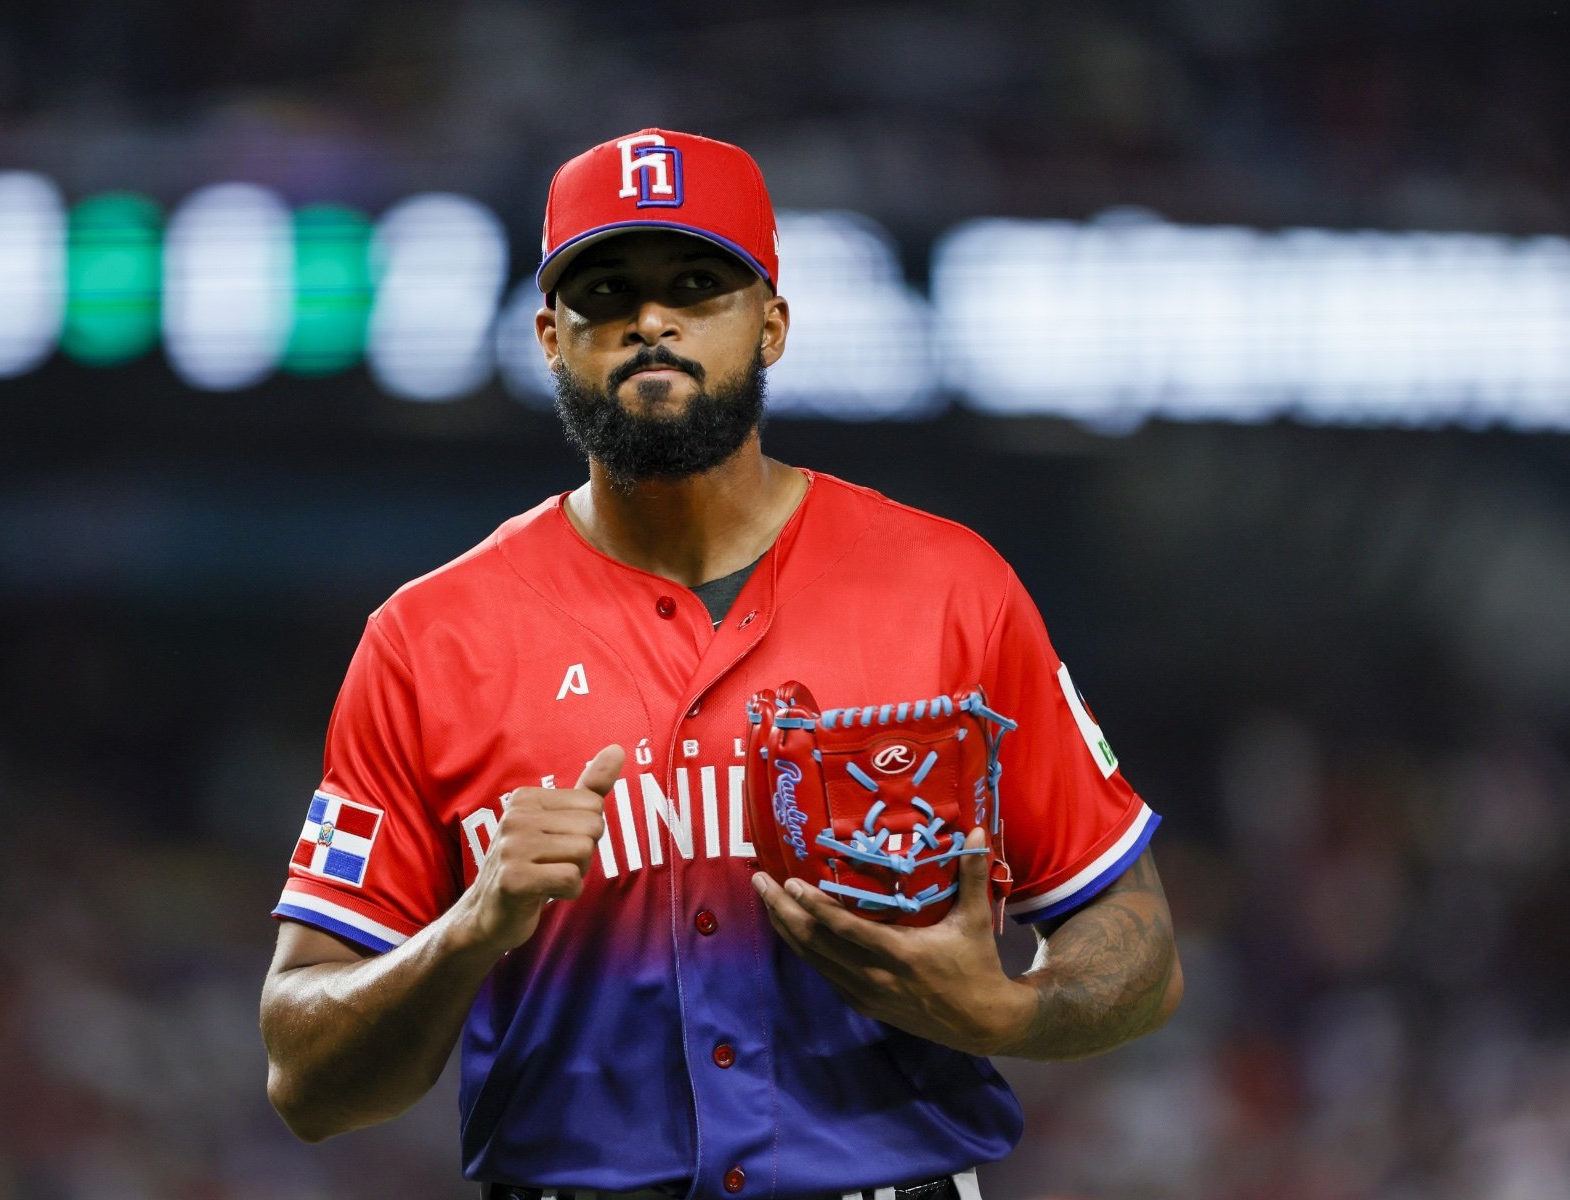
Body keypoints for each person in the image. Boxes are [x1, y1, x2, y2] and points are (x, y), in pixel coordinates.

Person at [260, 128, 1182, 1200]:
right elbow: (305, 1077)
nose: (652, 320)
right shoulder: (432, 639)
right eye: (608, 292)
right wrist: (466, 933)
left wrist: (1010, 1010)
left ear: (773, 324)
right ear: (553, 336)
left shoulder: (949, 588)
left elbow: (1140, 944)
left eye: (698, 284)